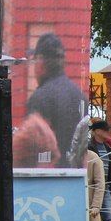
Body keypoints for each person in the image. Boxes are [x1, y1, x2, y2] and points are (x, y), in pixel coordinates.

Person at [25, 33, 87, 167]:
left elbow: (36, 149)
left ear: (40, 61)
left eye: (34, 60)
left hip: (49, 178)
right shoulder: (80, 96)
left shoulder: (40, 98)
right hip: (75, 178)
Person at [83, 146, 106, 221]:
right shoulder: (65, 155)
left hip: (90, 207)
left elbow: (100, 183)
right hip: (69, 206)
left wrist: (96, 205)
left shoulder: (93, 156)